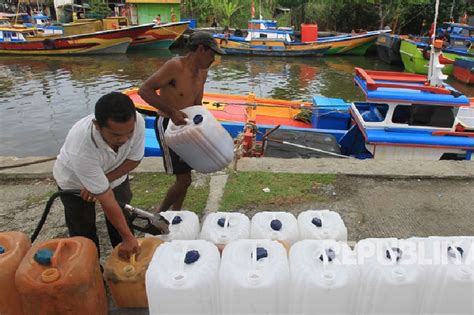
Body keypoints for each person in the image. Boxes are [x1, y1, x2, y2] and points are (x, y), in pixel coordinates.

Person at [138, 31, 225, 213]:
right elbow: (144, 90)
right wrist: (172, 112)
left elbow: (197, 104)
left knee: (186, 177)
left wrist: (205, 127)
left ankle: (176, 213)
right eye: (212, 54)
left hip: (187, 126)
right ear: (201, 49)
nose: (213, 59)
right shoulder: (175, 66)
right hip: (168, 126)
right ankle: (159, 214)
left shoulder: (203, 72)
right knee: (183, 179)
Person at [53, 92, 144, 259]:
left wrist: (102, 181)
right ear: (97, 125)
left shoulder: (137, 122)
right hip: (75, 182)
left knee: (122, 220)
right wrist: (129, 237)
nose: (124, 139)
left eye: (129, 132)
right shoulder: (81, 146)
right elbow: (107, 199)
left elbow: (134, 160)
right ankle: (92, 272)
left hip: (114, 174)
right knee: (83, 231)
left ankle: (125, 265)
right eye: (116, 135)